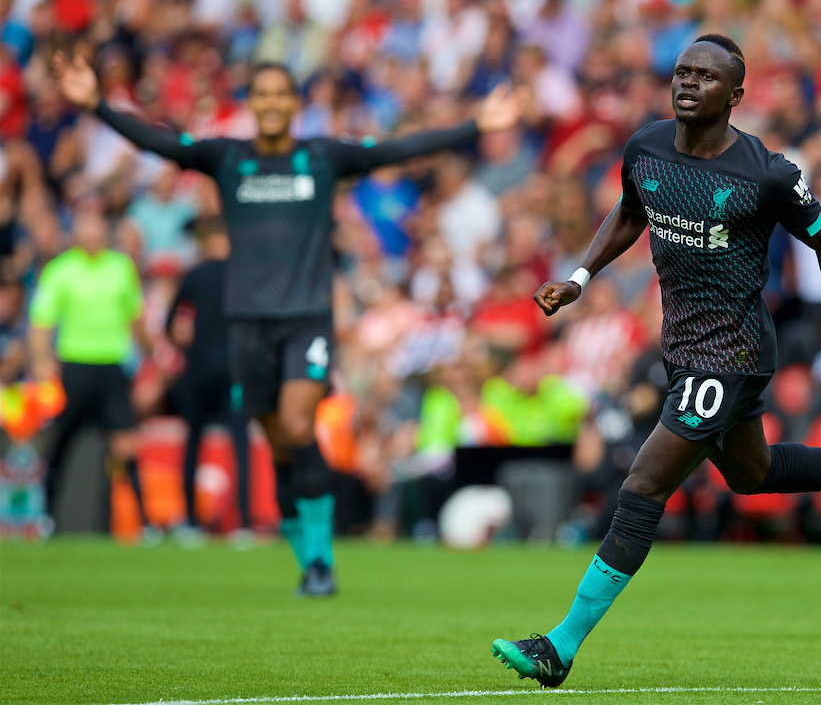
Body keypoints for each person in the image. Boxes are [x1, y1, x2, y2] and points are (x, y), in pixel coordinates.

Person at [491, 35, 821, 688]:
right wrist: (581, 276)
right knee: (752, 474)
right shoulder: (646, 148)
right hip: (682, 349)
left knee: (643, 485)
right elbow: (630, 212)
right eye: (682, 72)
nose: (688, 83)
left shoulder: (766, 173)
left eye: (705, 76)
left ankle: (560, 645)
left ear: (736, 95)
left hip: (733, 352)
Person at [53, 53, 523, 595]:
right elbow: (162, 143)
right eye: (263, 94)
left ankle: (322, 560)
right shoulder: (228, 159)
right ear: (252, 104)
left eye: (282, 94)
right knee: (278, 444)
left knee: (300, 425)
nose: (273, 103)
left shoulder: (322, 157)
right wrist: (96, 105)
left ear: (295, 106)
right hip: (248, 325)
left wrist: (475, 126)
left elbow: (400, 148)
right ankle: (307, 558)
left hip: (306, 319)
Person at [28, 210, 151, 532]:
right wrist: (42, 358)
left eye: (97, 225)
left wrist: (152, 354)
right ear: (76, 231)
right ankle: (46, 518)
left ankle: (145, 524)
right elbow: (41, 322)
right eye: (86, 225)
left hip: (112, 367)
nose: (92, 232)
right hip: (75, 367)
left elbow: (135, 319)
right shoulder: (60, 270)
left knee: (126, 445)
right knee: (60, 444)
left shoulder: (121, 267)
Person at [164, 216, 250, 541]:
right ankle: (243, 523)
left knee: (193, 444)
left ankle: (189, 521)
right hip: (234, 371)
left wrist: (186, 347)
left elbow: (171, 324)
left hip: (198, 371)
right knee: (239, 444)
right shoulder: (242, 274)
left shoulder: (196, 275)